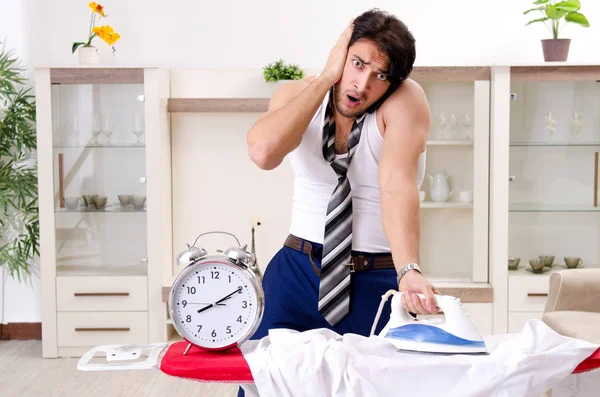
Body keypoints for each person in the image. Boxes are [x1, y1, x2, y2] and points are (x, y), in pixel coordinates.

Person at [243, 7, 439, 384]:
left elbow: (396, 184)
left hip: (375, 281)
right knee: (267, 384)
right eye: (357, 63)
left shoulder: (406, 101)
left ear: (394, 82)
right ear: (341, 54)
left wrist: (409, 269)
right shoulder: (297, 93)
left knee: (374, 388)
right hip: (296, 273)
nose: (362, 85)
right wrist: (326, 79)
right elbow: (263, 152)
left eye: (380, 75)